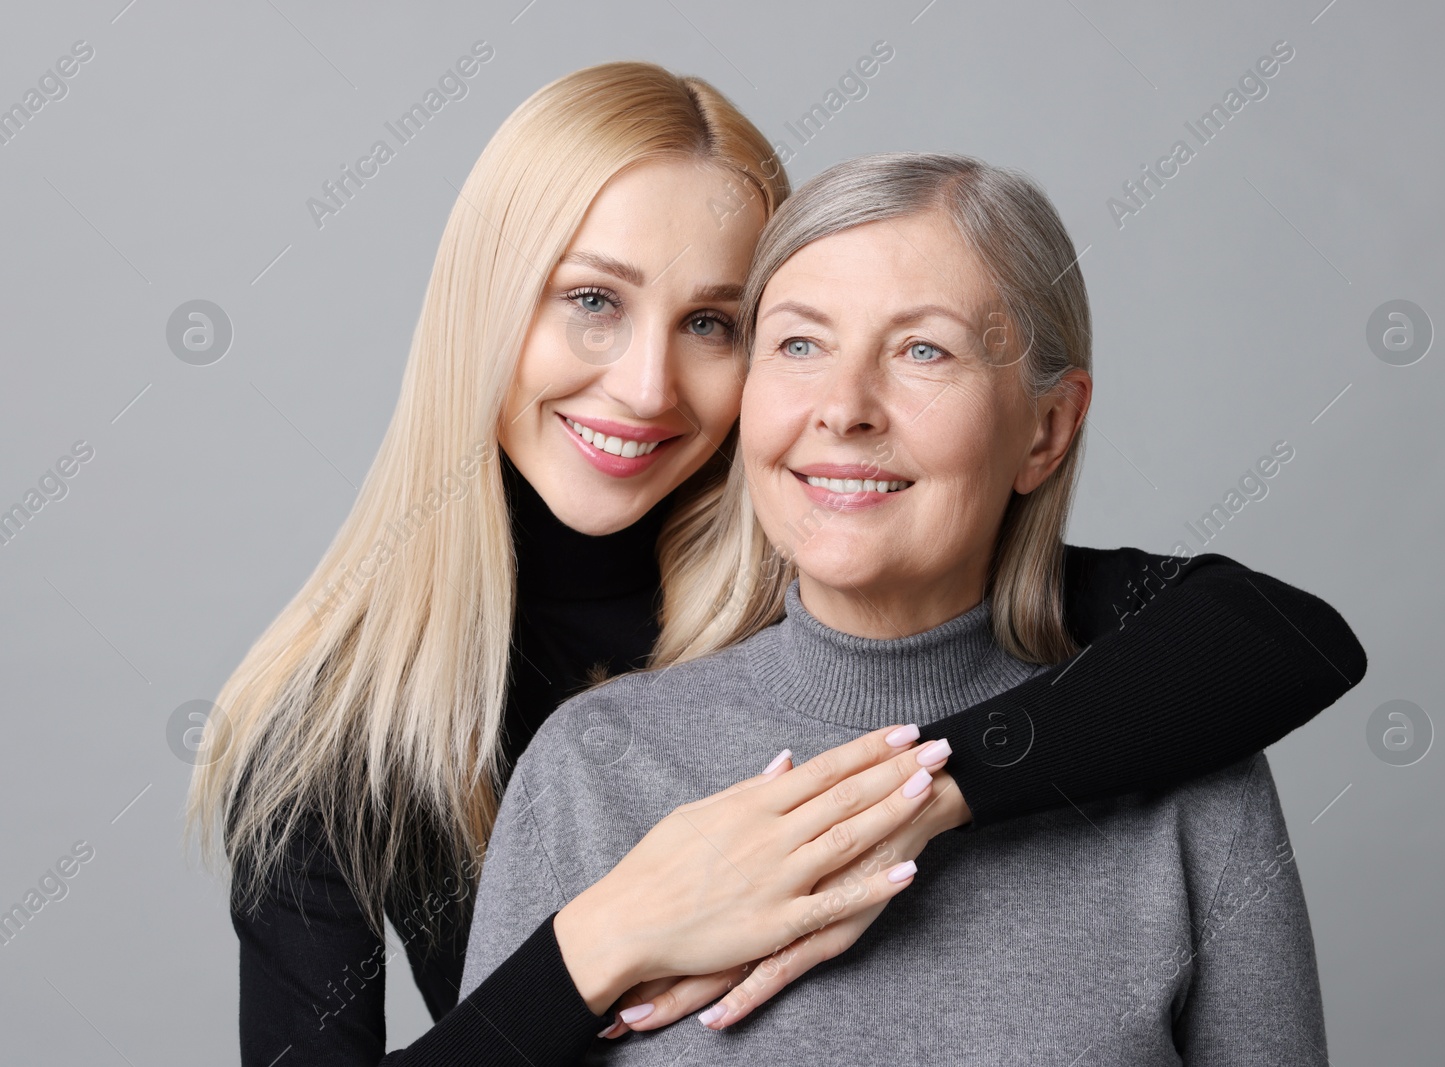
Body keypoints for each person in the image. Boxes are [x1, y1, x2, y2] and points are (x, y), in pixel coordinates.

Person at [187, 63, 1360, 1066]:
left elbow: (1278, 637)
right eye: (590, 299)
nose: (646, 385)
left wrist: (923, 798)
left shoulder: (849, 551)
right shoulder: (347, 734)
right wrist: (603, 939)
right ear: (481, 311)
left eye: (715, 324)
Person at [464, 151, 1328, 1062]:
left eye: (924, 350)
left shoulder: (1187, 767)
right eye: (800, 344)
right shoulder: (595, 768)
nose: (844, 408)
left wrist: (943, 786)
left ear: (1046, 430)